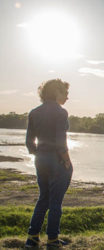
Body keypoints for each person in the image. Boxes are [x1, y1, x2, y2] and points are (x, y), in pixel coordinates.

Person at [25, 79, 73, 248]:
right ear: (56, 92)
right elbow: (61, 140)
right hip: (56, 159)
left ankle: (32, 237)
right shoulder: (61, 112)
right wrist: (67, 160)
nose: (67, 96)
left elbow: (29, 142)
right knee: (55, 202)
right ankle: (52, 239)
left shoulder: (34, 112)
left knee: (43, 198)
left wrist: (38, 154)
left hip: (41, 159)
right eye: (65, 93)